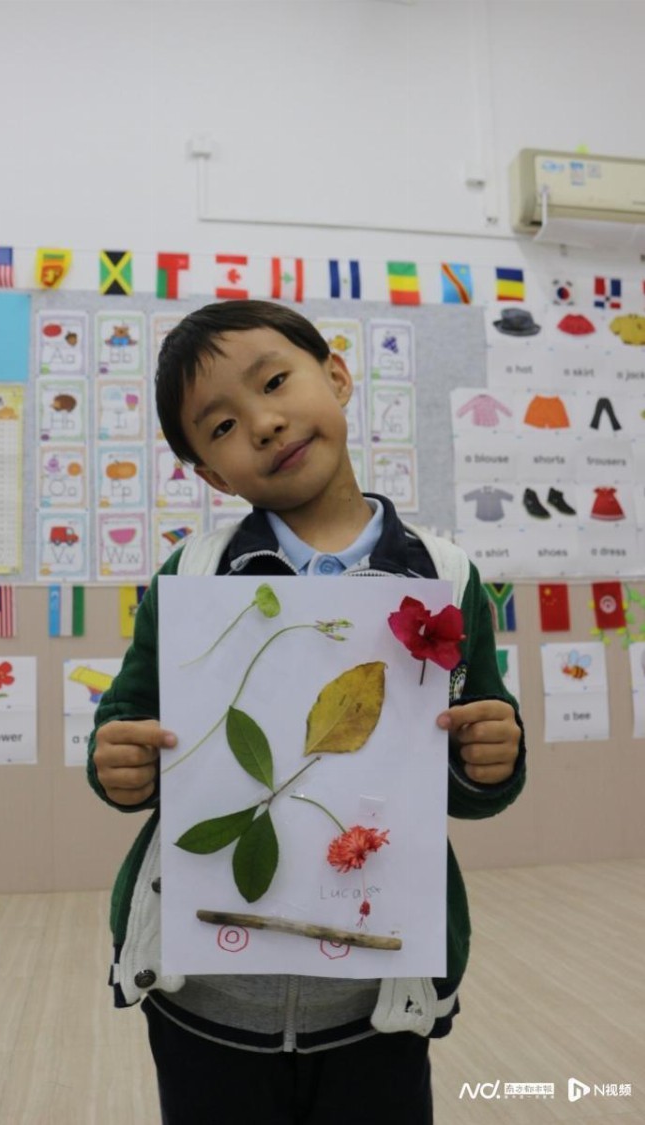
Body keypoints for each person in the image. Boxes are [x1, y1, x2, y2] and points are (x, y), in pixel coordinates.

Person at [88, 300, 526, 1125]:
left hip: (376, 994)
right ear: (212, 476)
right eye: (219, 426)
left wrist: (491, 757)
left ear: (336, 374)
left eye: (275, 381)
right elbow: (127, 723)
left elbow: (470, 767)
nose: (262, 422)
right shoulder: (195, 573)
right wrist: (117, 763)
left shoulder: (446, 571)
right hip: (206, 996)